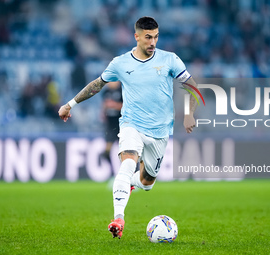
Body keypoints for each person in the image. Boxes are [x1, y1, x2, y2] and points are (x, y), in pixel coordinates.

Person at [58, 16, 198, 239]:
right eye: (148, 37)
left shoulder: (170, 59)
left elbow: (192, 86)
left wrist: (189, 114)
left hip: (160, 132)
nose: (153, 42)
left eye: (156, 37)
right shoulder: (120, 63)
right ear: (137, 37)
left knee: (147, 182)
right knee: (128, 162)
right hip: (131, 124)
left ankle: (130, 184)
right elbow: (97, 85)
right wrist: (69, 104)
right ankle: (118, 219)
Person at [101, 81, 123, 172]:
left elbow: (127, 106)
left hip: (121, 125)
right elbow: (104, 105)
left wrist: (114, 105)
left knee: (126, 153)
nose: (110, 83)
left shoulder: (122, 91)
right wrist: (103, 111)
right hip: (110, 125)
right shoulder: (106, 92)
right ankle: (112, 173)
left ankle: (132, 175)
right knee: (106, 153)